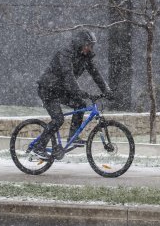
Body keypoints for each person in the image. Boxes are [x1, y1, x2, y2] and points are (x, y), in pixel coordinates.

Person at [35, 29, 113, 158]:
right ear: (80, 43)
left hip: (61, 90)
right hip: (48, 89)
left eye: (92, 45)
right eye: (88, 45)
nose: (90, 48)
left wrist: (107, 91)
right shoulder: (65, 54)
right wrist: (77, 90)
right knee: (58, 119)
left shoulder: (85, 58)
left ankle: (73, 137)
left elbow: (96, 74)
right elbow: (68, 75)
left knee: (81, 105)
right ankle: (39, 147)